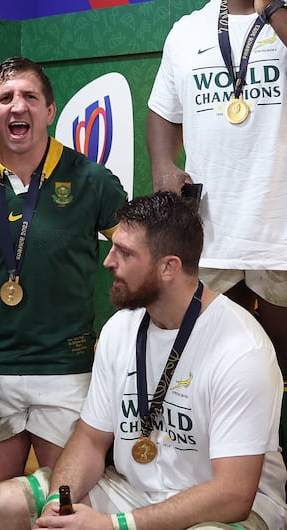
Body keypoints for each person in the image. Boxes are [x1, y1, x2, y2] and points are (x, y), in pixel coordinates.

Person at [0, 191, 287, 530]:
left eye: (124, 252)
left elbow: (233, 495)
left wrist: (116, 525)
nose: (108, 261)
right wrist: (59, 500)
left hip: (222, 508)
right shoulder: (119, 329)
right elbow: (91, 440)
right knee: (0, 505)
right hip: (133, 490)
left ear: (169, 267)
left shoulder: (241, 348)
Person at [0, 56, 128, 529]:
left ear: (49, 110)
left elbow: (135, 257)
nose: (16, 106)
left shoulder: (92, 181)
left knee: (64, 509)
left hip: (67, 372)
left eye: (29, 97)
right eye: (5, 98)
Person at [147, 0, 287, 465]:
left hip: (280, 237)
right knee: (202, 378)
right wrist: (165, 165)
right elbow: (163, 112)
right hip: (210, 241)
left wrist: (275, 10)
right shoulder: (187, 31)